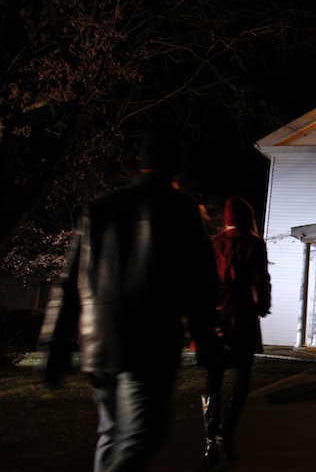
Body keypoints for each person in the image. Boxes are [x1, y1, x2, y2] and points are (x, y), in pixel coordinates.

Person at [39, 131, 221, 472]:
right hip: (149, 342)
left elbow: (69, 284)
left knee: (111, 433)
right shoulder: (180, 210)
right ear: (175, 166)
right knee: (142, 434)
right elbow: (199, 283)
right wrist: (206, 340)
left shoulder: (100, 208)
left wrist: (57, 344)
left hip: (100, 343)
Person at [202, 196, 272, 468]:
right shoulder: (254, 243)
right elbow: (262, 278)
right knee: (242, 378)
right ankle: (225, 430)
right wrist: (263, 305)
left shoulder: (213, 243)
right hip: (241, 311)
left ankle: (209, 441)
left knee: (213, 379)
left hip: (215, 312)